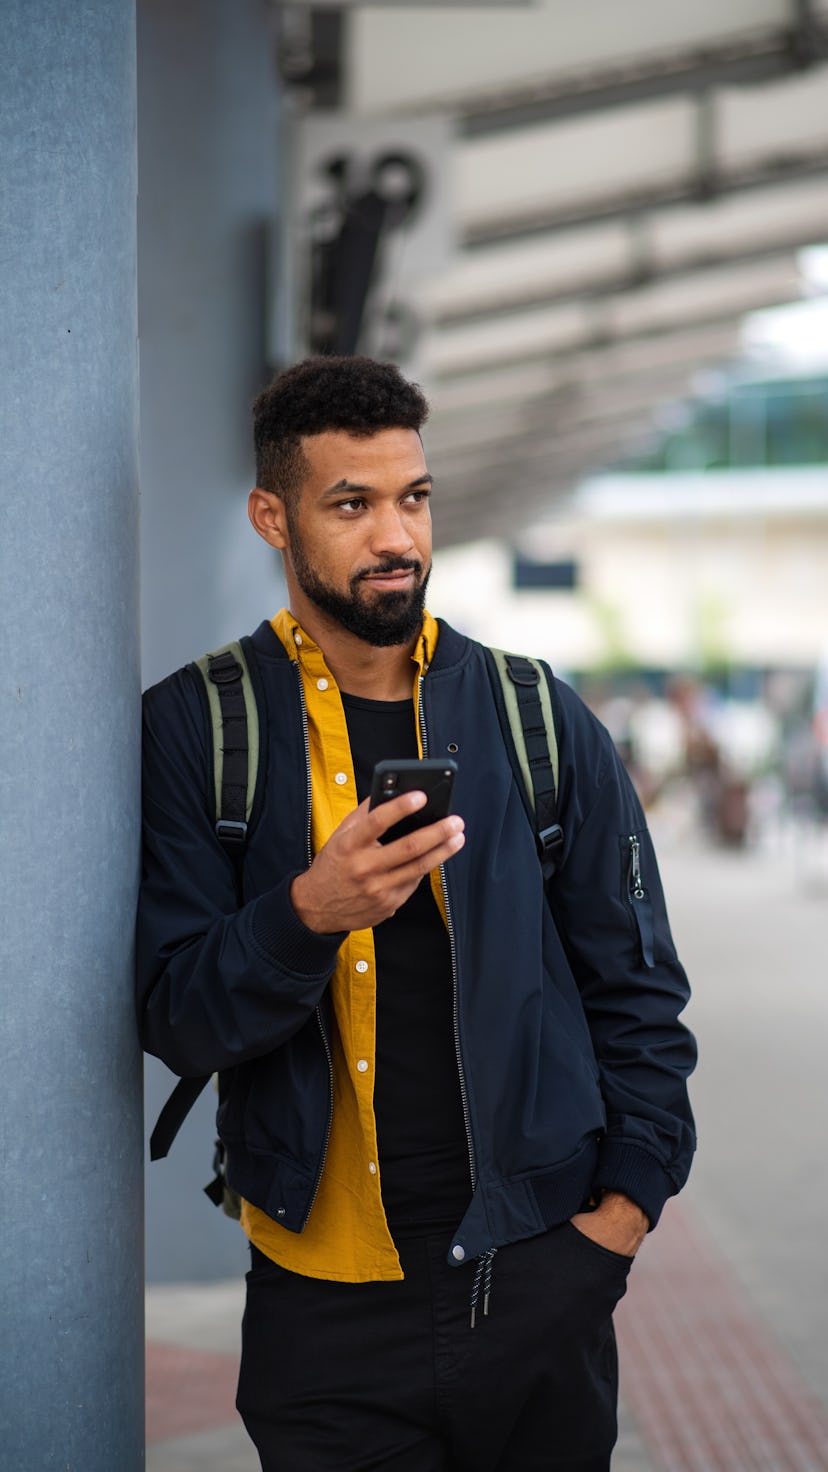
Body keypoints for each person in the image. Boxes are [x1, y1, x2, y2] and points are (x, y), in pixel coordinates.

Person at [137, 354, 696, 1472]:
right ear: (273, 517)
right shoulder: (198, 730)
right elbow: (175, 1014)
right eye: (351, 503)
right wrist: (305, 913)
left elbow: (639, 997)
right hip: (323, 1311)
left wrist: (617, 1223)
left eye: (413, 497)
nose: (395, 535)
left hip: (536, 1272)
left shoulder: (538, 719)